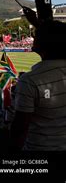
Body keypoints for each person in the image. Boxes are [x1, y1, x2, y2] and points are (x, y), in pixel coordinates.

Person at [11, 20, 66, 151]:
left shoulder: (30, 80)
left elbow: (20, 128)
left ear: (44, 43)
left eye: (37, 35)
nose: (33, 38)